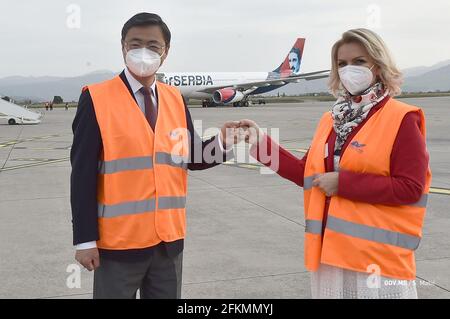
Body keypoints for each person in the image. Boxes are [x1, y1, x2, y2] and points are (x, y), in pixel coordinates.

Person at [239, 28, 431, 299]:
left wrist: (344, 184)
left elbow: (411, 188)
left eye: (359, 62)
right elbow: (307, 173)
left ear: (378, 66)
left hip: (376, 259)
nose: (349, 69)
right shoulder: (331, 120)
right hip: (330, 253)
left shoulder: (401, 119)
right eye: (342, 64)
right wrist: (259, 142)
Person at [71, 12, 242, 299]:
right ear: (123, 47)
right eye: (135, 44)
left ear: (165, 52)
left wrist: (223, 142)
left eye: (152, 46)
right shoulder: (96, 98)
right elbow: (82, 174)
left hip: (168, 243)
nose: (143, 52)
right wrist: (84, 240)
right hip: (117, 245)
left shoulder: (175, 98)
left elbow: (193, 157)